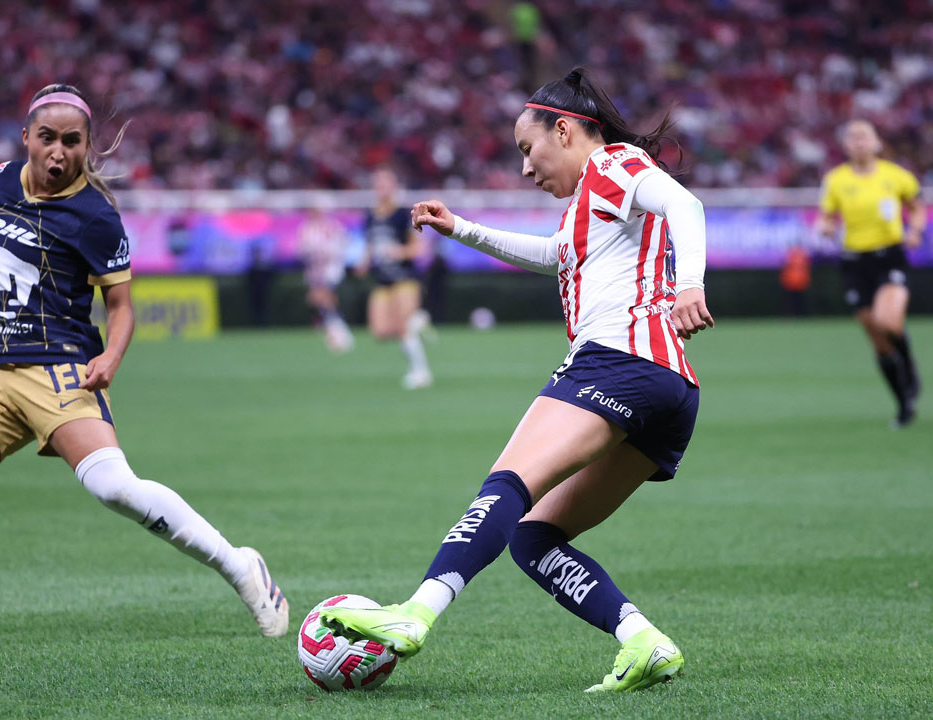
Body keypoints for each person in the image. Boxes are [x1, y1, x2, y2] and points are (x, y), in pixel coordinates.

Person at [320, 68, 713, 693]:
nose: (527, 169)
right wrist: (461, 229)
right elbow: (552, 255)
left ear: (564, 129)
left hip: (616, 362)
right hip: (671, 391)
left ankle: (416, 613)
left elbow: (685, 205)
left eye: (528, 150)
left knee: (508, 483)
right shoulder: (593, 199)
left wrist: (691, 283)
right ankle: (644, 640)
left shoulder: (612, 164)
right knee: (534, 537)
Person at [0, 84, 288, 645]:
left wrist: (111, 355)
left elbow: (123, 306)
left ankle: (240, 567)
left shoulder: (95, 216)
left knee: (114, 488)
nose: (59, 151)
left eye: (72, 141)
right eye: (48, 138)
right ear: (27, 138)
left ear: (87, 146)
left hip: (59, 370)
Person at [815, 119, 925, 427]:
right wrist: (825, 226)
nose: (859, 142)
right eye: (853, 137)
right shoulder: (836, 179)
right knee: (877, 337)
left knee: (887, 320)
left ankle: (909, 367)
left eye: (865, 136)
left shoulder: (896, 176)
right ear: (846, 146)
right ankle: (903, 403)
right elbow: (827, 216)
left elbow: (917, 207)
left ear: (876, 142)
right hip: (854, 261)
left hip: (889, 256)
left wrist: (915, 230)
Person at [358, 166, 433, 389]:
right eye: (378, 183)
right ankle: (417, 322)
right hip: (382, 280)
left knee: (402, 327)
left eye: (386, 183)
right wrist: (364, 262)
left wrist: (398, 251)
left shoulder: (403, 214)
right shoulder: (370, 216)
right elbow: (371, 244)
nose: (381, 188)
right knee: (380, 331)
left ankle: (420, 372)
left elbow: (420, 248)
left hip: (404, 278)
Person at [298, 204, 354, 352]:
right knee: (316, 299)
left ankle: (338, 329)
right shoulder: (307, 228)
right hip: (315, 270)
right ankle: (333, 327)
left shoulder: (331, 226)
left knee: (324, 297)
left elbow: (342, 242)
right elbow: (303, 250)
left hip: (330, 269)